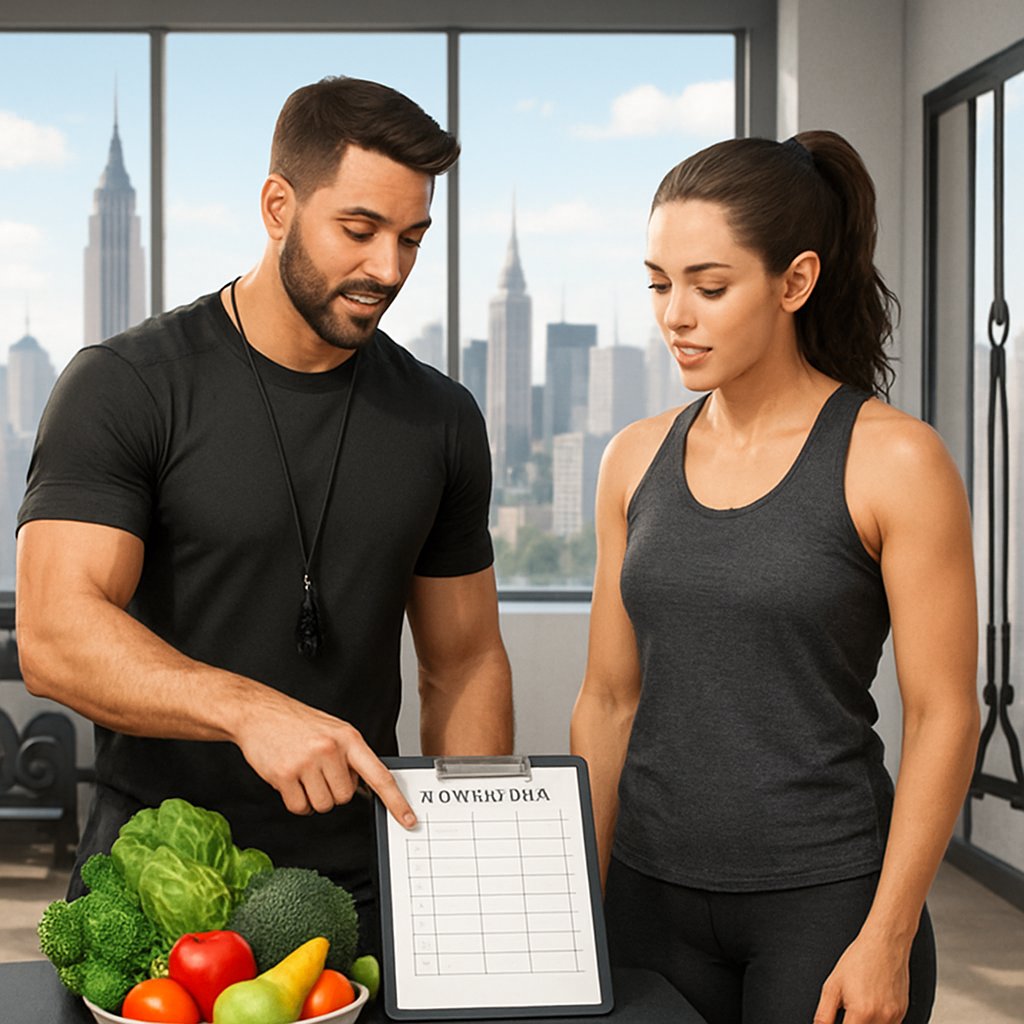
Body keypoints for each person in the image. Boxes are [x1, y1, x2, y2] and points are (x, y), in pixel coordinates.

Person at [15, 77, 514, 934]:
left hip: (362, 888)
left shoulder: (440, 417)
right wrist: (248, 709)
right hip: (152, 884)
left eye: (411, 238)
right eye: (358, 231)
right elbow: (55, 635)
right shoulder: (127, 384)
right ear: (277, 205)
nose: (387, 269)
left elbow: (463, 662)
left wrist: (462, 861)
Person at [570, 131, 979, 1024]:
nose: (675, 314)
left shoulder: (895, 459)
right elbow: (607, 699)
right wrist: (577, 904)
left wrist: (888, 936)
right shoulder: (632, 460)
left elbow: (948, 712)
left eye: (709, 287)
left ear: (794, 282)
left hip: (827, 903)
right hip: (647, 896)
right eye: (659, 283)